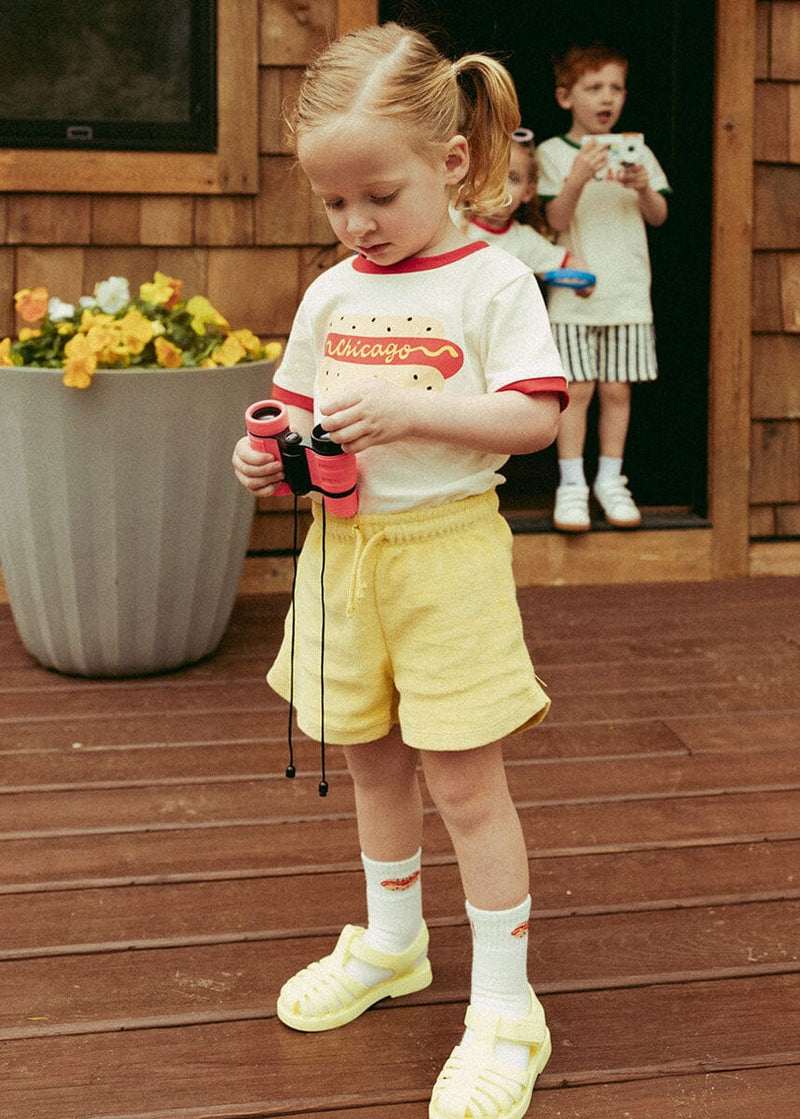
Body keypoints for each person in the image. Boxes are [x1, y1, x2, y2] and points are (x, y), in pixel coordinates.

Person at [231, 22, 567, 1119]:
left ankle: (507, 1008)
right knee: (368, 757)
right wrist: (263, 452)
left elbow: (532, 422)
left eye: (376, 195)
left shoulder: (493, 282)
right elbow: (291, 402)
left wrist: (415, 410)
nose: (355, 224)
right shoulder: (334, 293)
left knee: (463, 782)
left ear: (451, 163)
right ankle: (391, 941)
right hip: (341, 557)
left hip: (443, 558)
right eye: (335, 206)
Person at [536, 42, 670, 533]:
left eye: (615, 87)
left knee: (617, 390)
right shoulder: (551, 154)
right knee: (576, 390)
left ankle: (610, 480)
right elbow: (554, 219)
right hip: (573, 296)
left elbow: (659, 217)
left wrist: (642, 187)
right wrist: (577, 178)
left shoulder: (638, 152)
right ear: (565, 97)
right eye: (594, 87)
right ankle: (571, 484)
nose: (606, 97)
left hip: (629, 293)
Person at [461, 126, 591, 284]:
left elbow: (570, 264)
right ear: (471, 178)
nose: (499, 185)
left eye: (513, 178)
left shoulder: (523, 240)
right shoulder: (451, 221)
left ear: (528, 193)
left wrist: (583, 278)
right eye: (491, 173)